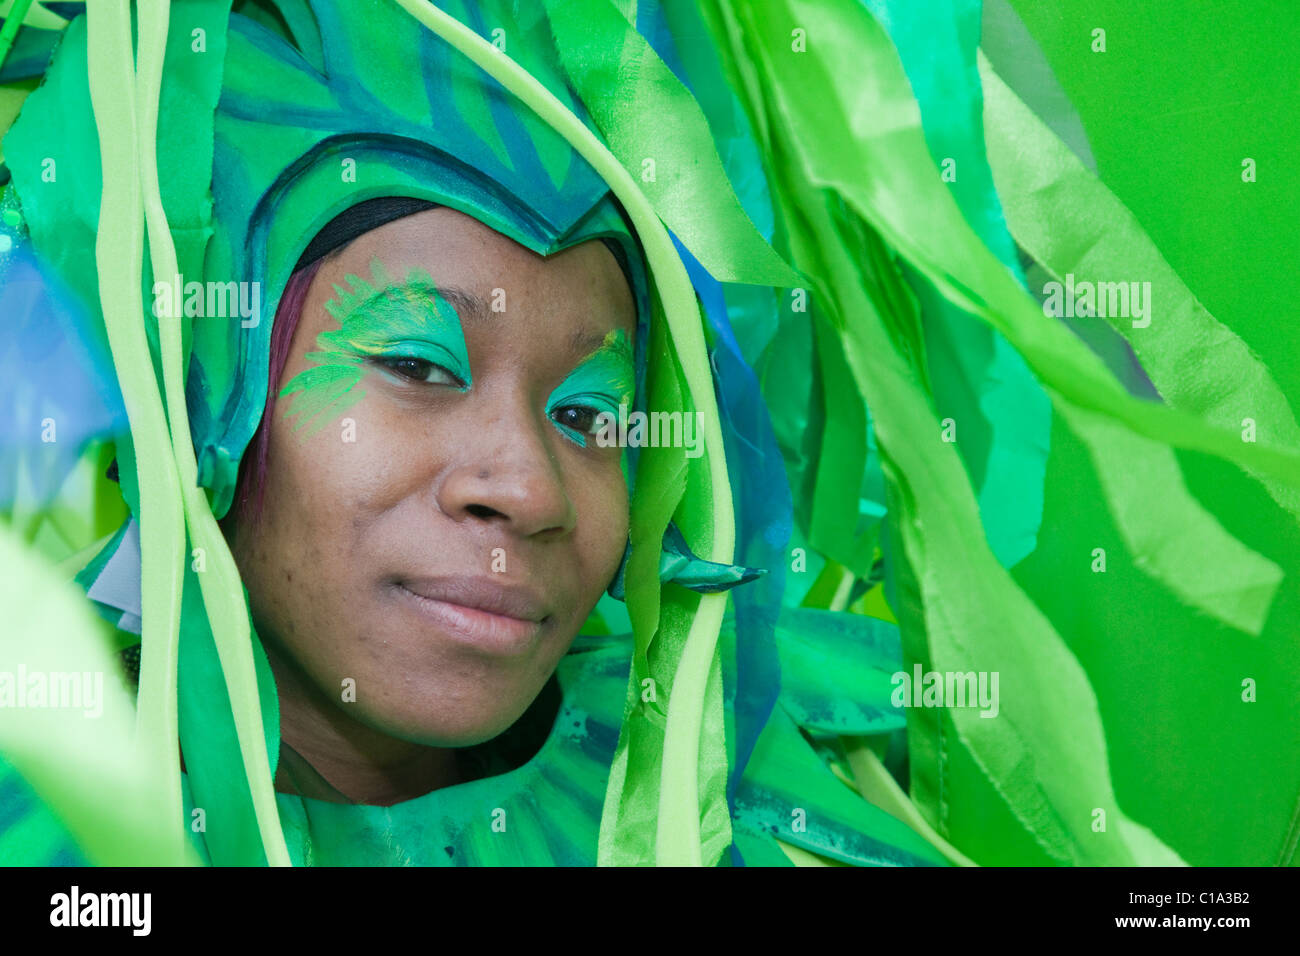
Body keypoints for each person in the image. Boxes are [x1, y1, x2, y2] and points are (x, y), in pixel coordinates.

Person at [1, 0, 1294, 868]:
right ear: (208, 399)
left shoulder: (723, 811)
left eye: (593, 412)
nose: (527, 485)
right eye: (412, 361)